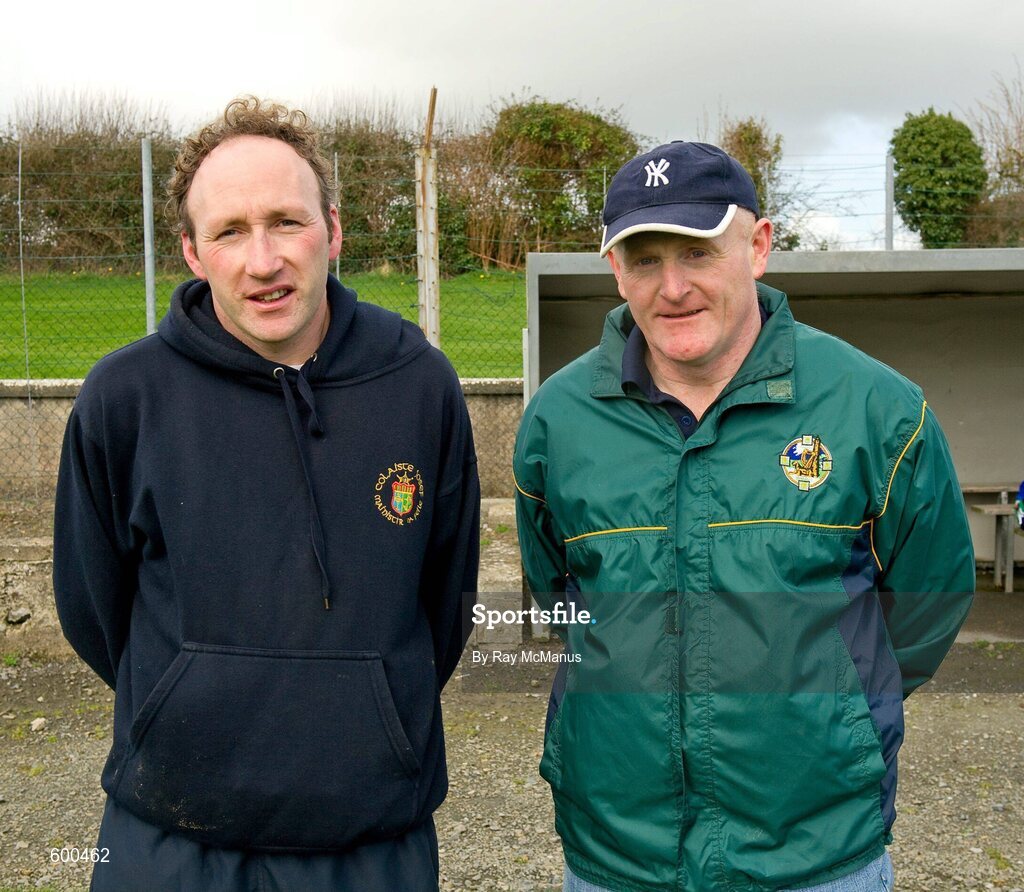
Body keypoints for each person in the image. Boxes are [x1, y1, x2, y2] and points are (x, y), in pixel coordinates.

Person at [513, 141, 974, 892]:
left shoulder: (877, 410)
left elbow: (929, 605)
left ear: (758, 247)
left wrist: (835, 704)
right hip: (618, 855)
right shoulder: (557, 423)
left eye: (697, 252)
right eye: (644, 258)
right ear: (614, 270)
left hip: (815, 856)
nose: (672, 288)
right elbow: (559, 592)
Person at [53, 97, 479, 892]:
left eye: (287, 221)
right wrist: (190, 693)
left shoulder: (419, 385)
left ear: (335, 230)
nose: (262, 260)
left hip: (372, 844)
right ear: (190, 250)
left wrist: (369, 706)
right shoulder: (123, 399)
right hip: (169, 842)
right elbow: (92, 608)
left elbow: (443, 598)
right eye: (228, 231)